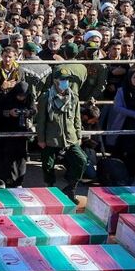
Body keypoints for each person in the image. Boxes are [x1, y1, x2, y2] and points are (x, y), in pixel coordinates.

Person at [36, 67, 87, 199]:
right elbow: (41, 120)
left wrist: (79, 136)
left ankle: (71, 188)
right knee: (48, 165)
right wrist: (41, 139)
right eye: (62, 79)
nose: (65, 82)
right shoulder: (46, 98)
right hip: (51, 137)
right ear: (55, 81)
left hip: (70, 137)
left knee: (81, 159)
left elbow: (77, 118)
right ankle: (51, 189)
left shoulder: (73, 97)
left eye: (67, 80)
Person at [0, 81, 35, 188]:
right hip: (7, 129)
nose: (21, 98)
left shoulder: (29, 98)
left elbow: (33, 110)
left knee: (21, 157)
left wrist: (27, 112)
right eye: (19, 95)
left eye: (23, 96)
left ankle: (18, 181)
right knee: (7, 155)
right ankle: (5, 179)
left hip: (22, 131)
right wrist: (9, 112)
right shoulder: (8, 98)